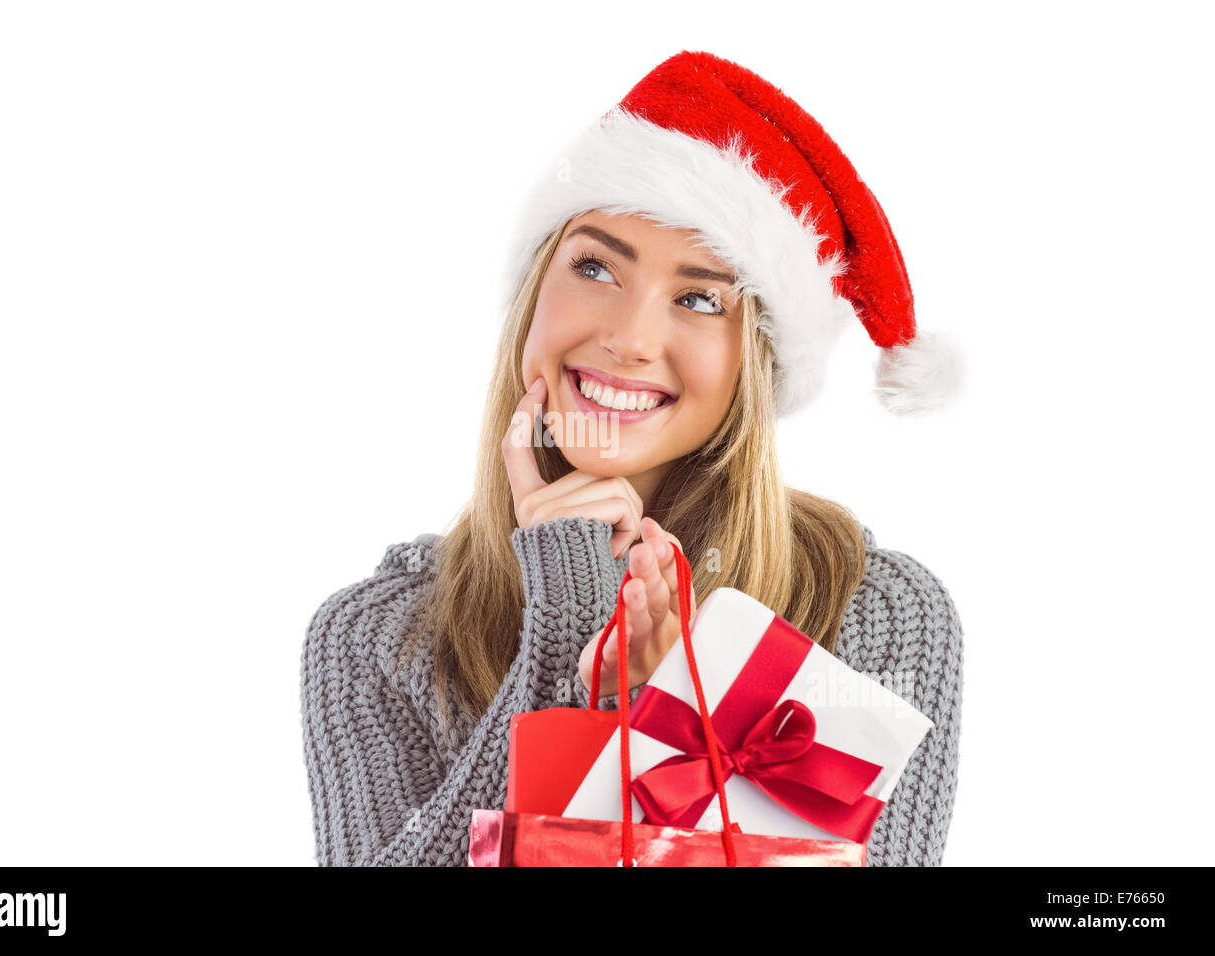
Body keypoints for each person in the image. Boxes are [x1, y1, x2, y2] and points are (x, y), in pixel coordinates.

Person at [300, 50, 965, 867]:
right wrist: (566, 628)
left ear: (755, 360)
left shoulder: (873, 612)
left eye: (697, 298)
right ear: (534, 294)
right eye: (594, 266)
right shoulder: (379, 638)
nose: (627, 337)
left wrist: (677, 704)